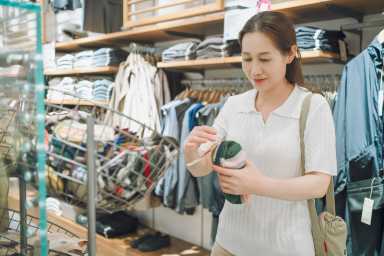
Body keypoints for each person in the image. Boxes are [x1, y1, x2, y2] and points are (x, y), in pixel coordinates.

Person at [184, 11, 337, 256]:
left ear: (290, 54)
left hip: (286, 247)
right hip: (228, 244)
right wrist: (191, 154)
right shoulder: (234, 105)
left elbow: (319, 184)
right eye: (247, 59)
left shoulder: (313, 107)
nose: (254, 69)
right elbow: (202, 168)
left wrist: (259, 184)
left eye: (265, 59)